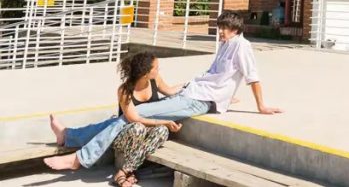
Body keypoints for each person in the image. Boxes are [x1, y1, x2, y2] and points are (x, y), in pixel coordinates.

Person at [46, 11, 282, 174]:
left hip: (197, 100)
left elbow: (253, 78)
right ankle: (69, 136)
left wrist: (261, 106)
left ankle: (79, 158)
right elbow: (217, 77)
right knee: (125, 116)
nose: (220, 32)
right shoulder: (226, 44)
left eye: (224, 28)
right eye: (219, 27)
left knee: (131, 115)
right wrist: (226, 96)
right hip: (193, 92)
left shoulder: (242, 47)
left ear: (235, 29)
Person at [109, 52, 180, 186]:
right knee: (138, 128)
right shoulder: (124, 90)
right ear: (145, 73)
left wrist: (193, 86)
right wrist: (164, 121)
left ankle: (125, 171)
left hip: (148, 133)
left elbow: (170, 91)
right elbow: (134, 119)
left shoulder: (155, 80)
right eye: (156, 68)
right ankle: (128, 172)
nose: (158, 70)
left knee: (162, 131)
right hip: (125, 135)